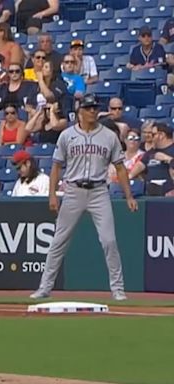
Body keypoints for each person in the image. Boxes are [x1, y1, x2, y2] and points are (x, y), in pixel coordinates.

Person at [30, 94, 138, 301]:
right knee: (58, 241)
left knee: (109, 241)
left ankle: (118, 289)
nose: (93, 111)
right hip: (73, 191)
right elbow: (56, 167)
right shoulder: (67, 135)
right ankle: (44, 287)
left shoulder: (108, 136)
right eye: (89, 108)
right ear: (80, 111)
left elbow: (120, 168)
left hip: (99, 191)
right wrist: (52, 194)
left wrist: (128, 196)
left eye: (95, 108)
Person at [129, 122, 174, 196]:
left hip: (168, 192)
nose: (150, 137)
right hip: (150, 190)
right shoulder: (151, 152)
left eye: (153, 134)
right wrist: (129, 176)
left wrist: (168, 159)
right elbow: (140, 165)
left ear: (161, 135)